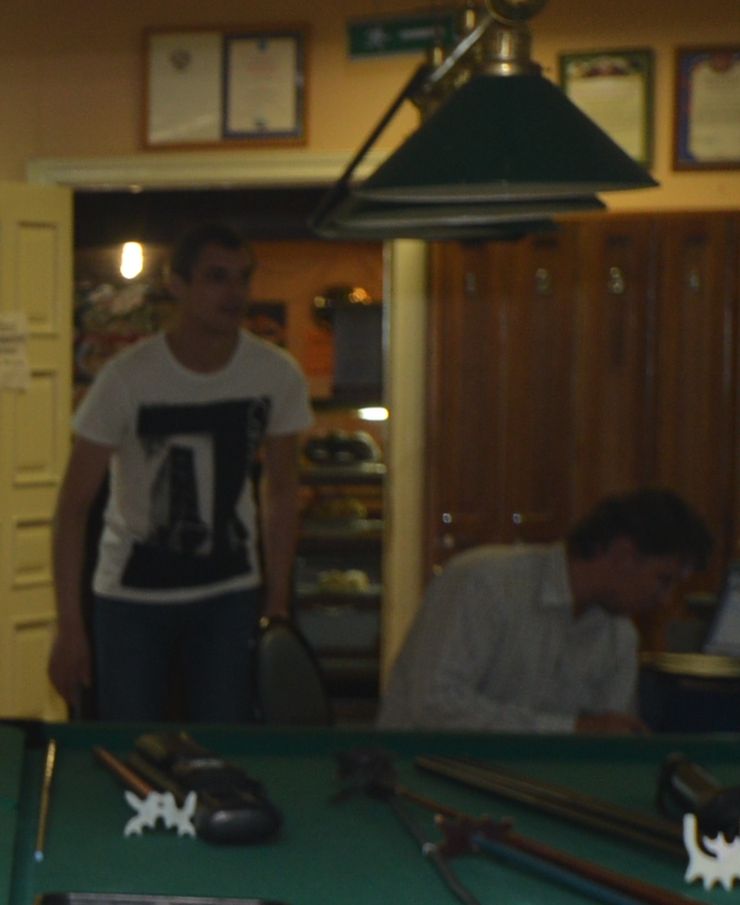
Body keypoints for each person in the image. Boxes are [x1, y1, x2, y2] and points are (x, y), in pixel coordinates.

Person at [46, 223, 310, 723]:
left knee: (226, 737)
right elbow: (73, 508)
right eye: (216, 277)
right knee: (129, 740)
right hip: (132, 594)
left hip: (229, 591)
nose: (234, 293)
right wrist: (70, 627)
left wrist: (278, 595)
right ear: (178, 285)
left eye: (243, 277)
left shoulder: (275, 374)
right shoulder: (127, 378)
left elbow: (281, 488)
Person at [380, 488, 714, 733]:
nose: (665, 599)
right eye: (664, 580)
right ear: (624, 554)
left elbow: (608, 737)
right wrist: (571, 729)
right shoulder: (485, 583)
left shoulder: (619, 635)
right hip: (421, 778)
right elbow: (434, 705)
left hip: (528, 787)